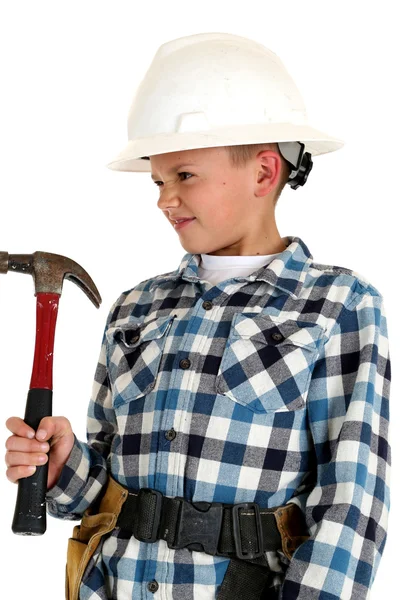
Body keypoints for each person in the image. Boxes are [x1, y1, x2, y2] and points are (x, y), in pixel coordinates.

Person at [5, 32, 391, 600]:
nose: (163, 198)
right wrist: (65, 469)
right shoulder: (137, 308)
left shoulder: (337, 304)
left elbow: (351, 509)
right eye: (158, 180)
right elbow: (105, 496)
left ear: (264, 173)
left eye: (184, 176)